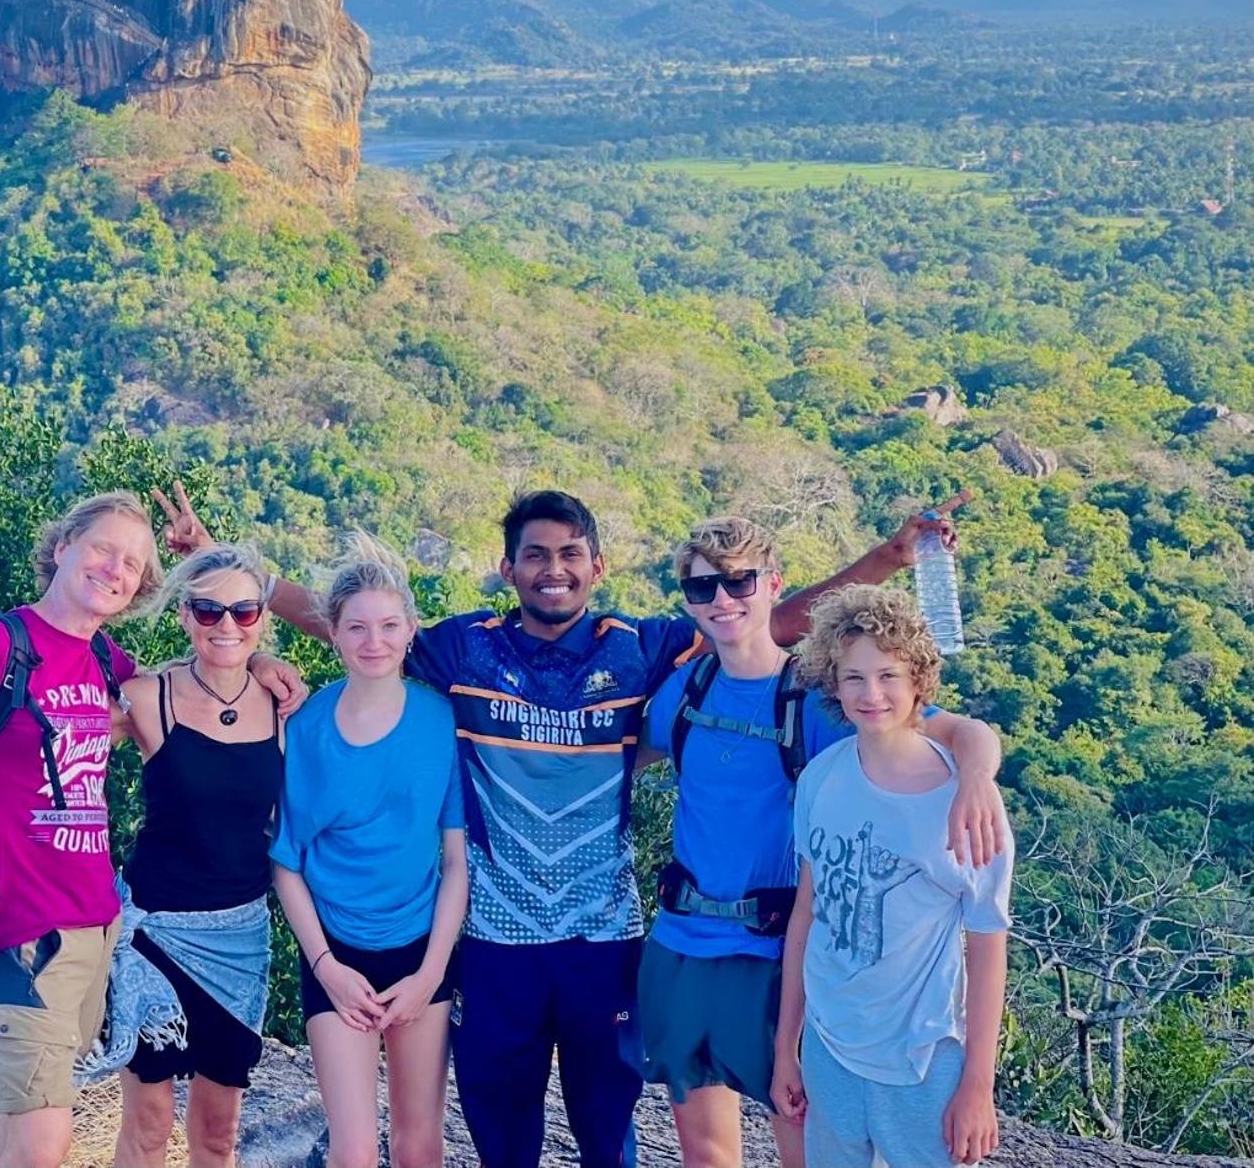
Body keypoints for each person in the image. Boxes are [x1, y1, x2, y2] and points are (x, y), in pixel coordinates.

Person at [157, 483, 1003, 1168]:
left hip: (605, 939)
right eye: (535, 555)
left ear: (596, 564)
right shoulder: (461, 648)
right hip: (494, 943)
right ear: (508, 568)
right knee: (502, 1134)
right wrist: (227, 577)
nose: (552, 569)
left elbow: (772, 623)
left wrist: (890, 560)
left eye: (569, 554)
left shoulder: (638, 646)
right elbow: (349, 621)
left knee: (608, 1134)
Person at [0, 493, 303, 1168]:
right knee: (45, 1143)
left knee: (24, 1135)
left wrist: (256, 660)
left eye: (132, 562)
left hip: (96, 929)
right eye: (104, 547)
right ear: (63, 544)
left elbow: (218, 639)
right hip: (21, 930)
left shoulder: (105, 661)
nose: (116, 568)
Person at [633, 518, 1005, 1168]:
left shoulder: (819, 702)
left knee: (800, 1138)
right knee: (704, 1149)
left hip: (779, 951)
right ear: (688, 599)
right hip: (682, 939)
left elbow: (962, 730)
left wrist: (975, 777)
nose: (722, 599)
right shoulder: (683, 690)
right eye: (703, 587)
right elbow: (620, 756)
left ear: (773, 585)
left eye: (740, 580)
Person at [771, 584, 1013, 1168]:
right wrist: (787, 1048)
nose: (871, 693)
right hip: (830, 1045)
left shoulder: (966, 801)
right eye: (853, 677)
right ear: (832, 680)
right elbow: (807, 916)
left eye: (888, 676)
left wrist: (978, 1085)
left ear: (918, 682)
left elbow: (987, 944)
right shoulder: (821, 779)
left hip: (921, 1058)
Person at [270, 536, 468, 1168]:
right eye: (356, 626)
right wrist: (325, 965)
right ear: (333, 632)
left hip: (420, 953)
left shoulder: (442, 722)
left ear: (411, 630)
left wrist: (432, 973)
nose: (373, 641)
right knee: (353, 1151)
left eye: (388, 625)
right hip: (336, 954)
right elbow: (287, 862)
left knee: (420, 1144)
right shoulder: (305, 728)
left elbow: (456, 860)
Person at [98, 545, 285, 1168]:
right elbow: (49, 719)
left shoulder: (288, 708)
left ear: (262, 616)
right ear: (184, 616)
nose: (226, 625)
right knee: (148, 1129)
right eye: (208, 611)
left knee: (218, 1133)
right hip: (154, 935)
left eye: (243, 610)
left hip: (240, 940)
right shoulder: (148, 697)